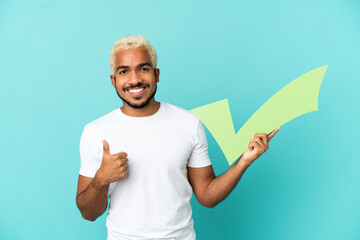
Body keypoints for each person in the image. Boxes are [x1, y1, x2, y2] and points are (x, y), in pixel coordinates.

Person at [76, 35, 280, 240]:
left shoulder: (188, 123)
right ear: (114, 80)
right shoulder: (95, 132)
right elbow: (88, 213)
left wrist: (244, 161)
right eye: (124, 71)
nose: (135, 79)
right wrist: (101, 179)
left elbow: (207, 196)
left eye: (144, 69)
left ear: (156, 74)